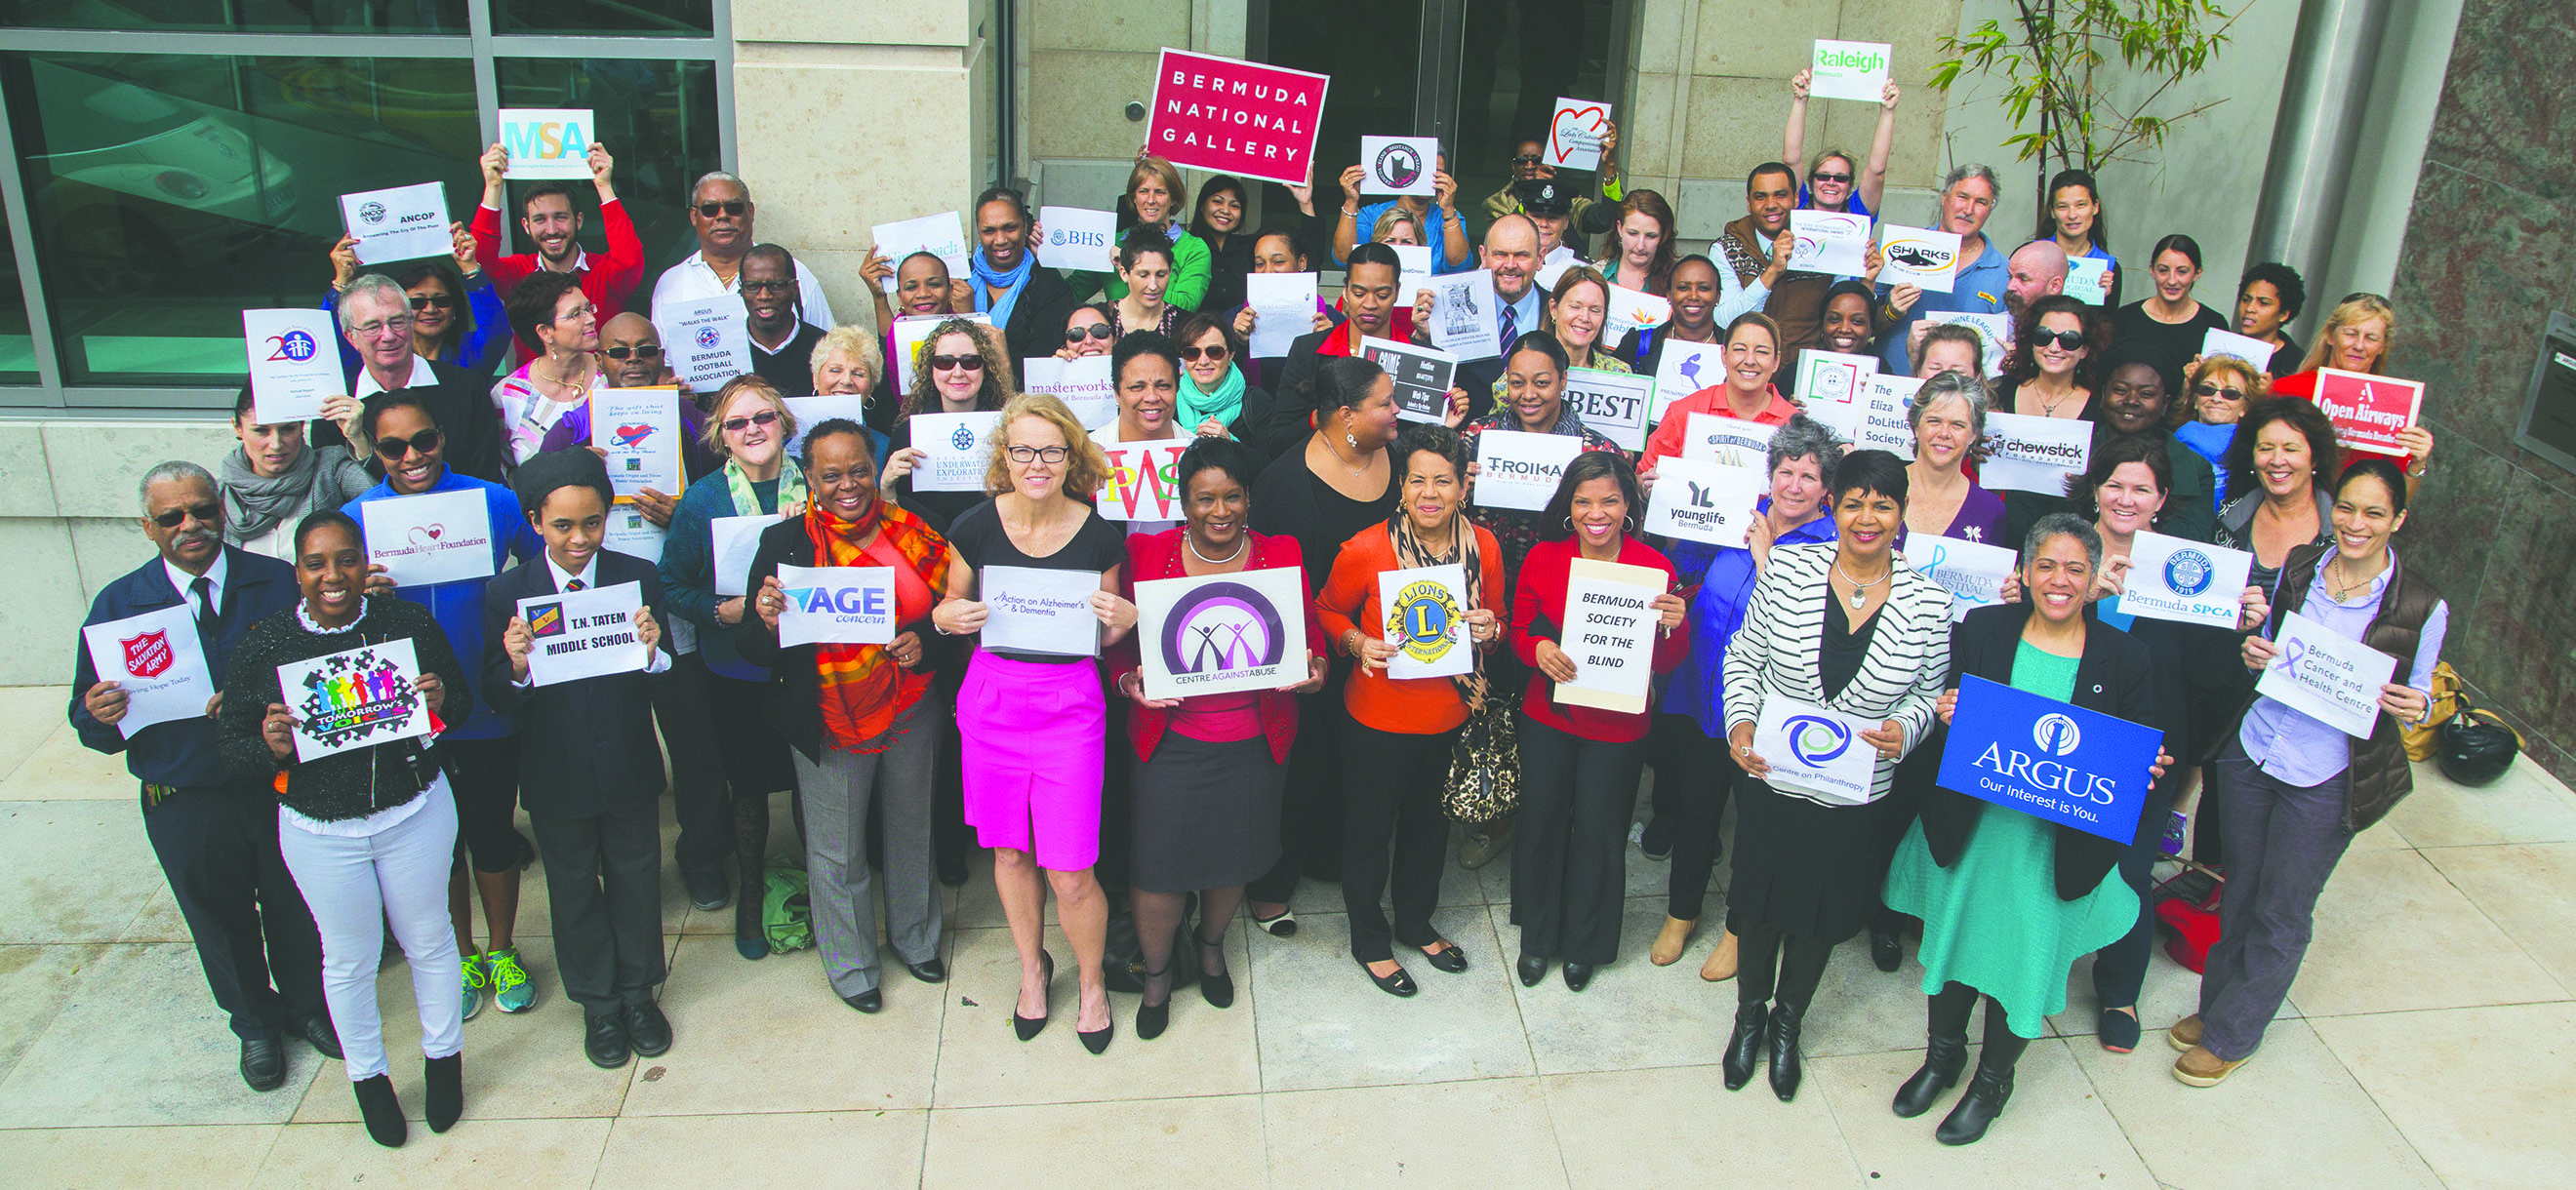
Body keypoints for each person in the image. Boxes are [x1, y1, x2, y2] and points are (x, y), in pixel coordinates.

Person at [1882, 513, 2164, 1144]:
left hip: (2053, 849)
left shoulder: (2126, 657)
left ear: (2094, 580)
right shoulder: (1983, 627)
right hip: (1977, 832)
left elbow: (2139, 743)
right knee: (1956, 946)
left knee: (2023, 962)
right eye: (2046, 566)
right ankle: (1942, 1058)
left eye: (2074, 569)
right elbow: (1940, 714)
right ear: (2024, 572)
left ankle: (1992, 1083)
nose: (2059, 580)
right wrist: (1946, 711)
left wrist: (2145, 768)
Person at [2176, 459, 2446, 1088]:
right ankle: (2217, 1005)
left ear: (2398, 521)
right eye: (2347, 508)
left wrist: (2417, 704)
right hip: (2256, 748)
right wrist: (2252, 649)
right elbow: (2266, 647)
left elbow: (2424, 693)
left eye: (2375, 513)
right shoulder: (2301, 566)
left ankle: (2234, 1034)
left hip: (2329, 773)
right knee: (2240, 885)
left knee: (2284, 907)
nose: (2355, 524)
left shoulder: (2423, 605)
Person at [72, 462, 334, 1092]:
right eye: (171, 517)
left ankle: (307, 1007)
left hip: (277, 783)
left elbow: (322, 673)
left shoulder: (276, 583)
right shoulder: (118, 606)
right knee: (219, 918)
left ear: (222, 508)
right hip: (184, 792)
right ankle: (255, 1023)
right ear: (148, 527)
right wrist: (98, 713)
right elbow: (88, 718)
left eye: (201, 510)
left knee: (296, 905)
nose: (189, 525)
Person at [216, 510, 469, 1148]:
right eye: (316, 562)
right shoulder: (266, 644)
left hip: (414, 811)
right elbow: (231, 747)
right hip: (321, 830)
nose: (333, 575)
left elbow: (458, 703)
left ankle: (444, 1061)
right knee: (349, 960)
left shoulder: (406, 623)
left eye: (346, 559)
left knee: (430, 940)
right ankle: (370, 1079)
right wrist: (270, 748)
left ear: (365, 562)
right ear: (298, 572)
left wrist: (439, 704)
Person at [1719, 450, 1952, 1102]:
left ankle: (1789, 1021)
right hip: (1774, 777)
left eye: (1882, 504)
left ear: (1901, 515)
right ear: (1834, 508)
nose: (1867, 517)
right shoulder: (1790, 567)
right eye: (1853, 502)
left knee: (1820, 916)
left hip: (1855, 792)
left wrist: (1904, 731)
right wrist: (1739, 726)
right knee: (1760, 906)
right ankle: (1749, 1017)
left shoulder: (1930, 604)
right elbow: (1744, 658)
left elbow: (1926, 697)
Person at [932, 394, 1137, 1053]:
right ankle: (1032, 970)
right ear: (1004, 456)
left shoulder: (1102, 534)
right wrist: (946, 618)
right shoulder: (974, 525)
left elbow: (1103, 638)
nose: (1037, 462)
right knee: (1010, 851)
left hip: (1069, 705)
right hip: (992, 701)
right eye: (1022, 449)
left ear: (1071, 455)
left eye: (1051, 449)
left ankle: (1093, 982)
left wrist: (1125, 621)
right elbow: (946, 605)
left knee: (1072, 868)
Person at [1108, 437, 1328, 1038]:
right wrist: (1128, 679)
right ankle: (1156, 974)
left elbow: (1311, 639)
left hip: (1255, 739)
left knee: (1234, 857)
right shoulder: (1145, 551)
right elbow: (1119, 645)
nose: (1220, 511)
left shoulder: (1281, 552)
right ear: (1183, 500)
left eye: (1233, 496)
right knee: (1157, 867)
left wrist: (1316, 672)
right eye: (1205, 499)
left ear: (1250, 497)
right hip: (1172, 739)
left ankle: (1209, 945)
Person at [738, 419, 952, 1013]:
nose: (848, 485)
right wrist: (764, 618)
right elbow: (754, 652)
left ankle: (916, 939)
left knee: (914, 830)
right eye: (831, 475)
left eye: (858, 469)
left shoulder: (915, 528)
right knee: (837, 851)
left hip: (911, 707)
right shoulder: (783, 544)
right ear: (809, 477)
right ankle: (852, 965)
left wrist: (923, 643)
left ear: (874, 466)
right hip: (830, 718)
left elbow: (950, 615)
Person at [342, 393, 543, 1020]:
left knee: (490, 830)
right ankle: (461, 955)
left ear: (442, 437)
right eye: (393, 447)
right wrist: (358, 595)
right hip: (398, 707)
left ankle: (503, 948)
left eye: (423, 441)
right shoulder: (355, 519)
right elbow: (327, 612)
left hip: (485, 696)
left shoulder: (494, 499)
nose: (412, 457)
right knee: (436, 845)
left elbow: (544, 575)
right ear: (373, 452)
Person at [479, 451, 675, 1065]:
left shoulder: (637, 576)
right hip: (553, 770)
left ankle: (639, 992)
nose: (579, 539)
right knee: (572, 889)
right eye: (563, 525)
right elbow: (494, 694)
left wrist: (651, 651)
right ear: (536, 522)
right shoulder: (508, 592)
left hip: (626, 763)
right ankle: (598, 1004)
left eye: (592, 523)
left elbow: (663, 680)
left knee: (636, 878)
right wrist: (515, 665)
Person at [1647, 418, 1842, 977]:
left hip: (1762, 705)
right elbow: (1678, 568)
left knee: (1755, 823)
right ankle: (1680, 913)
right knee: (1695, 808)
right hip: (1695, 685)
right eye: (1786, 472)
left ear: (1825, 488)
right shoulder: (1738, 510)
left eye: (1809, 476)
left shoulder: (1831, 544)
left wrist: (1768, 558)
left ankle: (1737, 930)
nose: (1795, 485)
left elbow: (1811, 622)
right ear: (1770, 474)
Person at [1314, 421, 1503, 995]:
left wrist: (1492, 629)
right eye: (1417, 480)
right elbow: (1326, 610)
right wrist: (1354, 643)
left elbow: (1496, 626)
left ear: (1462, 488)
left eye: (1442, 482)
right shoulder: (1367, 548)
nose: (1429, 493)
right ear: (1401, 486)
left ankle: (1417, 921)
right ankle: (1369, 940)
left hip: (1450, 716)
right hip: (1378, 720)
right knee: (1370, 833)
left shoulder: (1485, 546)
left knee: (1427, 830)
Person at [1508, 453, 1688, 989]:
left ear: (1629, 504)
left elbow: (1665, 664)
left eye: (1609, 500)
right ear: (1568, 506)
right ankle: (1537, 935)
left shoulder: (1655, 569)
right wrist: (1536, 647)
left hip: (1618, 729)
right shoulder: (1543, 557)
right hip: (1549, 718)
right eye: (1583, 501)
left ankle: (1586, 942)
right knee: (1540, 824)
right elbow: (1517, 629)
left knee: (1600, 832)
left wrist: (1675, 628)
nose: (1596, 513)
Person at [1246, 356, 1401, 934]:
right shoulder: (1284, 482)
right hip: (1313, 653)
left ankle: (1333, 856)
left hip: (1387, 654)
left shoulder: (1401, 456)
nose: (1396, 413)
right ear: (1344, 415)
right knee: (1304, 768)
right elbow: (1270, 581)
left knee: (1358, 764)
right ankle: (1270, 885)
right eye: (1384, 404)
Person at [2054, 435, 2197, 1054]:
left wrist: (2245, 629)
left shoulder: (2189, 574)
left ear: (2162, 499)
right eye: (2115, 483)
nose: (2126, 498)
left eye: (2141, 488)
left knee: (2130, 871)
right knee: (2044, 857)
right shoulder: (2058, 548)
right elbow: (2029, 630)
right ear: (2095, 487)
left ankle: (2119, 992)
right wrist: (2086, 595)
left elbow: (2201, 681)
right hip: (2057, 738)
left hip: (2146, 752)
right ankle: (2040, 964)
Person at [659, 377, 809, 956]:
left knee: (808, 779)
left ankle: (820, 886)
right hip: (736, 666)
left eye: (764, 418)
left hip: (806, 660)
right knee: (747, 786)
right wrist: (720, 611)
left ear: (784, 424)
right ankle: (751, 893)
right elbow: (670, 584)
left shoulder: (817, 484)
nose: (754, 430)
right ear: (721, 437)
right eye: (738, 423)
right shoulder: (702, 500)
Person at [1461, 331, 1626, 597]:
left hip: (1564, 590)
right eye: (1517, 383)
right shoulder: (1477, 436)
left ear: (1563, 380)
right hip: (1484, 584)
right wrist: (1457, 486)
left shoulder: (1597, 451)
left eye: (1541, 383)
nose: (1528, 395)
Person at [320, 274, 507, 484]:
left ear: (411, 324)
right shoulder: (335, 408)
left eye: (397, 322)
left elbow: (487, 478)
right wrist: (359, 444)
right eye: (373, 326)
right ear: (350, 337)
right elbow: (338, 499)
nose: (388, 335)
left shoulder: (465, 387)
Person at [469, 139, 647, 350]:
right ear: (526, 226)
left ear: (578, 221)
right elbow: (478, 262)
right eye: (540, 220)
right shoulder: (518, 273)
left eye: (560, 217)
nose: (552, 229)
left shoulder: (604, 271)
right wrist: (493, 186)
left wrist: (604, 186)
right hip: (538, 383)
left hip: (599, 383)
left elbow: (630, 260)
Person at [1251, 241, 1414, 458]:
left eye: (1382, 295)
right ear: (1345, 291)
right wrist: (1321, 417)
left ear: (1397, 292)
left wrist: (1449, 415)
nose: (1370, 304)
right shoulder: (1308, 351)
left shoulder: (1422, 357)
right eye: (1359, 293)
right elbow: (1278, 441)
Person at [2268, 293, 2434, 485]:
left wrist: (2417, 464)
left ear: (2382, 347)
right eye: (2351, 334)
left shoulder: (2391, 407)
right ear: (2330, 335)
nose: (2359, 346)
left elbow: (2397, 499)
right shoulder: (2287, 389)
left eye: (2371, 338)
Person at [650, 172, 834, 327]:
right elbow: (663, 363)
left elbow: (829, 352)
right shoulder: (671, 284)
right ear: (693, 216)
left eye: (734, 207)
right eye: (710, 209)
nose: (722, 216)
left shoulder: (793, 274)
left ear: (751, 212)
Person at [885, 319, 1017, 535]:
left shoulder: (1010, 430)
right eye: (945, 362)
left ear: (986, 368)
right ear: (931, 369)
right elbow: (894, 517)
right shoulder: (906, 435)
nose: (957, 372)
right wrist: (886, 489)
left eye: (970, 362)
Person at [325, 227, 508, 381]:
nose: (430, 309)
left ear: (454, 308)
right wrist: (341, 280)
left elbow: (497, 332)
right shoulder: (380, 354)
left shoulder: (470, 354)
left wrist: (470, 268)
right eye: (418, 302)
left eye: (441, 301)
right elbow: (330, 346)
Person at [1880, 166, 2010, 376]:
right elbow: (1859, 324)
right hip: (1895, 386)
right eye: (1962, 197)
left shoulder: (2005, 273)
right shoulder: (1898, 249)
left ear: (1990, 209)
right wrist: (1890, 312)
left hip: (1966, 397)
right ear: (1944, 197)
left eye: (1981, 202)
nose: (1968, 209)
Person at [221, 384, 373, 563]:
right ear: (237, 427)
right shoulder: (218, 495)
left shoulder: (331, 469)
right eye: (261, 430)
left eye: (287, 429)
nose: (276, 444)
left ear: (302, 426)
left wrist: (357, 439)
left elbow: (381, 502)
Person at [1641, 312, 1798, 472]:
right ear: (1724, 355)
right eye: (1739, 349)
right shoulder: (1684, 412)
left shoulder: (1795, 425)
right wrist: (1647, 485)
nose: (1750, 360)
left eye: (1762, 352)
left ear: (1776, 361)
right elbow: (1641, 478)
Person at [490, 271, 602, 467]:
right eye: (576, 314)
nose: (590, 319)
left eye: (588, 308)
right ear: (545, 332)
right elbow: (509, 473)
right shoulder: (507, 396)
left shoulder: (610, 376)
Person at [968, 186, 1077, 384]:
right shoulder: (959, 278)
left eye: (1010, 228)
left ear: (1025, 228)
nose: (1000, 240)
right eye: (989, 231)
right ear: (979, 232)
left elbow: (1041, 371)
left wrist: (967, 319)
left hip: (1020, 404)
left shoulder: (1050, 289)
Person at [1080, 155, 1212, 311]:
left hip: (1169, 334)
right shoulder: (1112, 243)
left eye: (1160, 192)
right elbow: (1069, 293)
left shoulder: (1193, 248)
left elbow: (1186, 306)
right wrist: (1045, 251)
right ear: (1133, 198)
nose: (1150, 200)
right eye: (1143, 191)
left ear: (1174, 199)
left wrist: (1130, 267)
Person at [1901, 371, 2008, 545]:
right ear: (1915, 425)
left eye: (1957, 425)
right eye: (1934, 421)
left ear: (1974, 434)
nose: (1944, 433)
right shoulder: (1879, 488)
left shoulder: (1990, 508)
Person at [2111, 234, 2228, 382]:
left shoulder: (2213, 323)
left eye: (2182, 271)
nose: (2172, 280)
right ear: (2152, 270)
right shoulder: (2125, 317)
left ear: (2197, 273)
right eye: (2163, 270)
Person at [1230, 225, 1334, 390]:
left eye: (1278, 262)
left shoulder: (1332, 320)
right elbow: (1222, 378)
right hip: (1256, 410)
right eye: (1259, 264)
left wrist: (1331, 342)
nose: (1268, 271)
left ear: (1301, 262)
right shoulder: (1235, 319)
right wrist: (1240, 343)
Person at [1783, 71, 1900, 217]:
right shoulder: (1798, 204)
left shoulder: (1858, 211)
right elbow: (1790, 159)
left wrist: (1888, 111)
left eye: (1841, 178)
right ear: (1811, 181)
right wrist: (1800, 100)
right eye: (1823, 176)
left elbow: (1877, 171)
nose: (1831, 182)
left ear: (1850, 185)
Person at [1334, 150, 1470, 273]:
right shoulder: (1371, 215)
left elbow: (1458, 264)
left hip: (1429, 299)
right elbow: (1344, 258)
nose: (1431, 179)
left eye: (1438, 173)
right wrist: (1351, 201)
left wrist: (1448, 208)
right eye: (1424, 172)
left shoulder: (1447, 217)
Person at [1483, 126, 1625, 235]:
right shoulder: (1496, 203)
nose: (1530, 165)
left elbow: (1603, 220)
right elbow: (1510, 234)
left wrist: (1610, 166)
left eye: (1537, 160)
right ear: (1513, 166)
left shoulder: (1569, 199)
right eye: (1522, 161)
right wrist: (1535, 190)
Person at [1715, 165, 1798, 348]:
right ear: (1748, 202)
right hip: (1748, 367)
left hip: (1804, 368)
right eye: (1761, 197)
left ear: (1796, 198)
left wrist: (1868, 281)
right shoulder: (1727, 248)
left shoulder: (1817, 244)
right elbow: (1726, 320)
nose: (1770, 205)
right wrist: (1773, 271)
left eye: (1780, 195)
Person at [1173, 313, 1275, 450]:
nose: (1203, 361)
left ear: (1230, 355)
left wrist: (1230, 445)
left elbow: (1270, 463)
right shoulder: (1169, 404)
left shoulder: (1257, 402)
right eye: (1192, 353)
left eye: (1214, 351)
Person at [739, 244, 826, 397]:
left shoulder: (825, 348)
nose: (764, 295)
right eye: (752, 286)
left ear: (794, 289)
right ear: (741, 290)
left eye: (776, 285)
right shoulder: (725, 351)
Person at [2177, 354, 2264, 506]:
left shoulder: (2257, 448)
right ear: (2195, 400)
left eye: (2231, 393)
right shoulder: (2174, 442)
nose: (2216, 398)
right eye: (2207, 390)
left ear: (2246, 407)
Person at [1619, 256, 1731, 374]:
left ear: (1717, 296)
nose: (1693, 296)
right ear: (1669, 295)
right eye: (1683, 288)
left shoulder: (1734, 349)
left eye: (1703, 288)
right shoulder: (1637, 343)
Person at [1993, 295, 2098, 420]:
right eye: (2043, 336)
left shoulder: (2099, 407)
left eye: (2069, 340)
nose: (2054, 348)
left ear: (2084, 350)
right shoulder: (1998, 391)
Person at [2037, 169, 2120, 306]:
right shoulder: (2030, 255)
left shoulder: (2108, 268)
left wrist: (2105, 297)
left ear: (2095, 207)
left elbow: (2108, 325)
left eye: (2081, 205)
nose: (2072, 215)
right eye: (2063, 206)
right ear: (2052, 211)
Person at [1100, 229, 1184, 340]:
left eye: (1161, 275)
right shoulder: (1099, 319)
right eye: (1143, 275)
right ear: (1124, 274)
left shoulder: (1185, 325)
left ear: (1170, 271)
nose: (1153, 286)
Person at [1191, 175, 1255, 316]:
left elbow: (1302, 263)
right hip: (1194, 335)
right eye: (1217, 202)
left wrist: (1305, 203)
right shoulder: (1186, 246)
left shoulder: (1250, 247)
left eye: (1234, 206)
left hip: (1241, 336)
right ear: (1202, 205)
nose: (1225, 210)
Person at [2233, 262, 2307, 377]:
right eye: (2246, 300)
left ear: (2283, 314)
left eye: (2263, 303)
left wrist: (2270, 393)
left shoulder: (2299, 365)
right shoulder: (2222, 347)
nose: (2250, 308)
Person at [1601, 189, 1676, 297]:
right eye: (1633, 233)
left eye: (1651, 236)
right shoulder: (1595, 273)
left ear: (1663, 236)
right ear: (1620, 228)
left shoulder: (1676, 283)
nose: (1640, 246)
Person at [2003, 239, 2070, 325]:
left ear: (2054, 286)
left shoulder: (2076, 331)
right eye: (2010, 277)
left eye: (2023, 279)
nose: (2010, 286)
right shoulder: (1994, 328)